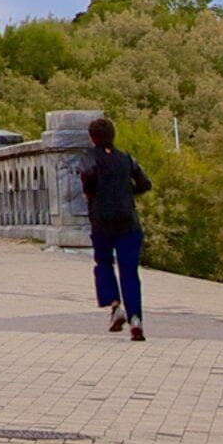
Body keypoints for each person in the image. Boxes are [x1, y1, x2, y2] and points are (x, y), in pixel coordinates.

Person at [79, 116, 153, 340]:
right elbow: (145, 184)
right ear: (113, 136)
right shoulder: (127, 159)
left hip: (102, 221)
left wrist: (93, 195)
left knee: (103, 263)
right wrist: (126, 193)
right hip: (128, 221)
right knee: (129, 271)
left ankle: (115, 305)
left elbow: (88, 177)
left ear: (92, 138)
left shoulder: (89, 158)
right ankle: (136, 319)